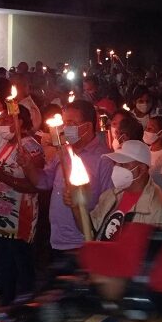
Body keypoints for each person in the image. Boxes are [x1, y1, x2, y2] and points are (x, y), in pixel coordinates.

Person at [19, 99, 114, 254]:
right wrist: (29, 166)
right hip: (57, 238)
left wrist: (78, 200)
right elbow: (44, 182)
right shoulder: (64, 152)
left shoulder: (105, 159)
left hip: (83, 243)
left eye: (70, 123)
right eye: (64, 123)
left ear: (88, 126)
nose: (65, 128)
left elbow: (109, 206)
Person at [0, 106, 44, 305]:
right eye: (5, 121)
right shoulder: (8, 145)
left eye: (11, 120)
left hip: (20, 219)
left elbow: (35, 185)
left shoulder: (31, 146)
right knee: (7, 262)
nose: (6, 124)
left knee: (22, 265)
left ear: (23, 122)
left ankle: (24, 310)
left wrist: (2, 177)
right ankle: (7, 305)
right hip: (3, 219)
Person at [84, 140, 162, 241]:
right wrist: (76, 206)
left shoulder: (160, 210)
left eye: (123, 164)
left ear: (142, 169)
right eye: (116, 163)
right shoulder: (111, 195)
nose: (116, 168)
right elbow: (90, 229)